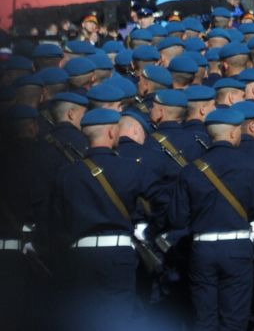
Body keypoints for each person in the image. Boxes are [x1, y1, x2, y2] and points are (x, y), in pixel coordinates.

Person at [43, 108, 170, 322]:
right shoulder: (130, 169)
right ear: (112, 132)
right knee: (117, 319)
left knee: (82, 319)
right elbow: (164, 202)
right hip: (118, 254)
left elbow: (54, 222)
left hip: (79, 254)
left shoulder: (67, 174)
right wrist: (152, 229)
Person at [180, 104, 254, 331]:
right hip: (237, 246)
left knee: (204, 319)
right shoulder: (251, 165)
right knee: (234, 319)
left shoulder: (191, 170)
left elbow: (178, 217)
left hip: (202, 247)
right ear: (235, 133)